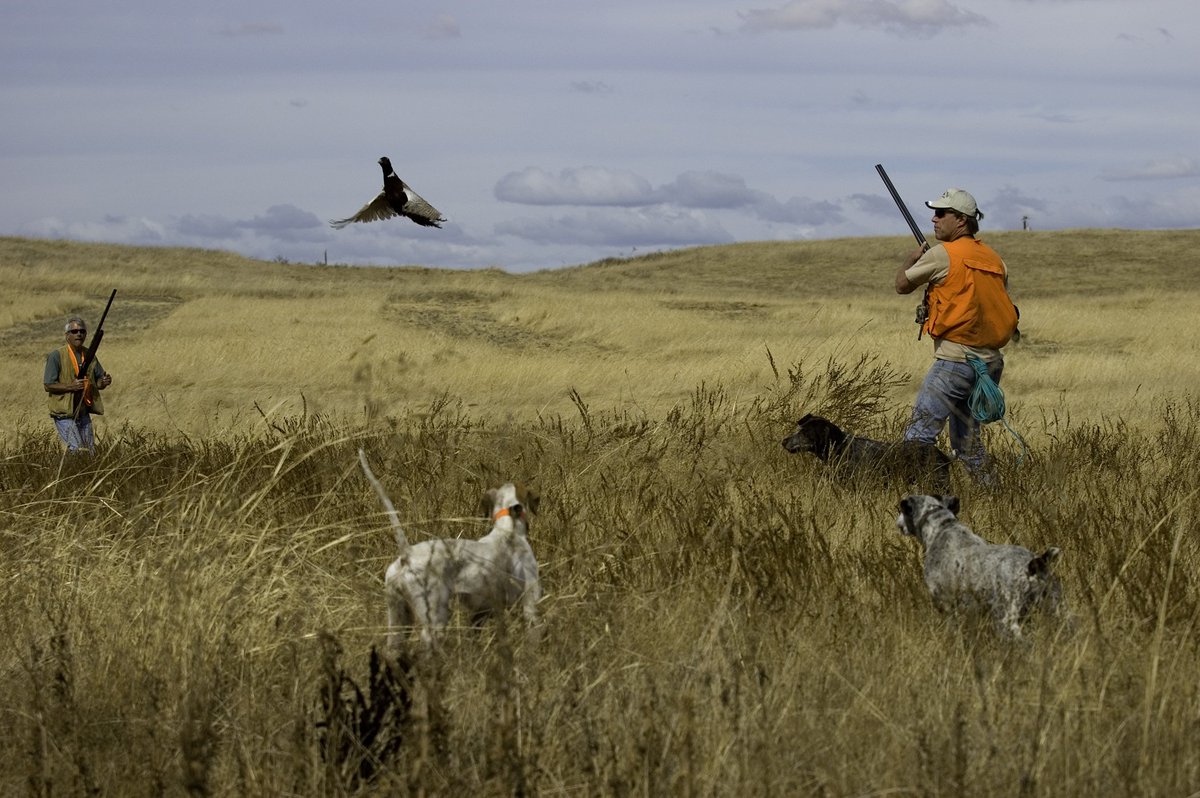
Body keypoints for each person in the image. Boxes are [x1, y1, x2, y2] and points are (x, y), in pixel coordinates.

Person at [894, 188, 1018, 482]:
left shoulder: (941, 254)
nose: (934, 219)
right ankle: (994, 495)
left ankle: (923, 496)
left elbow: (901, 284)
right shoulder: (994, 259)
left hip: (955, 361)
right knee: (968, 444)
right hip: (989, 364)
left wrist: (912, 259)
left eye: (940, 213)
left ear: (961, 220)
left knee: (918, 437)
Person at [44, 316, 113, 452]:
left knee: (90, 451)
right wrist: (71, 386)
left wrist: (104, 382)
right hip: (64, 414)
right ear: (67, 335)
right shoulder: (56, 356)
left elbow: (98, 381)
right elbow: (48, 385)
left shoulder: (90, 355)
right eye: (74, 331)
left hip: (83, 412)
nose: (79, 334)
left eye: (82, 331)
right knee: (77, 450)